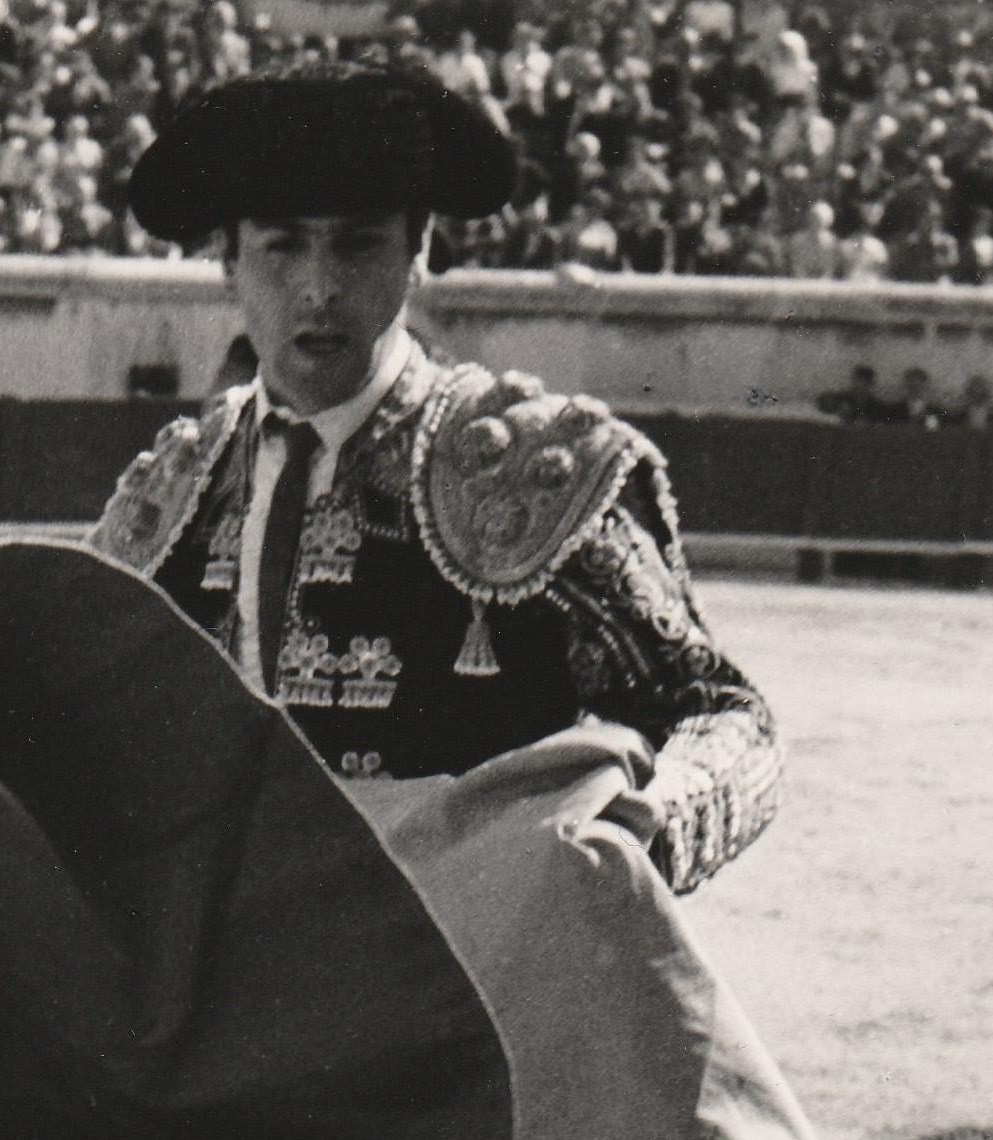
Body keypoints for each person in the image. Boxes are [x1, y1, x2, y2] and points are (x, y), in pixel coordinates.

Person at [88, 62, 781, 895]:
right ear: (226, 264)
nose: (319, 286)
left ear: (417, 254)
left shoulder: (534, 473)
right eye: (281, 245)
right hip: (234, 981)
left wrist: (652, 822)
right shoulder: (173, 491)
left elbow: (722, 715)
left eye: (358, 243)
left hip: (461, 975)